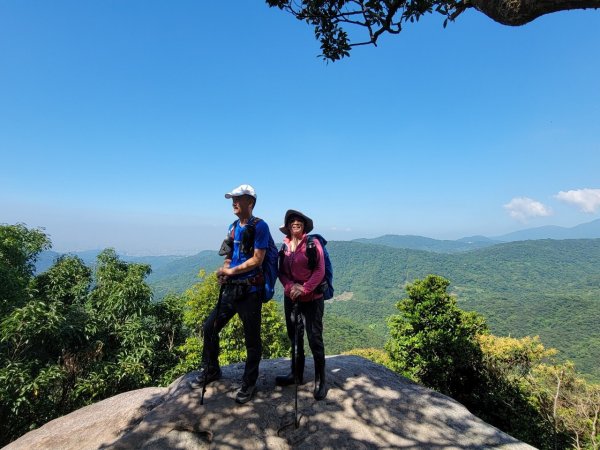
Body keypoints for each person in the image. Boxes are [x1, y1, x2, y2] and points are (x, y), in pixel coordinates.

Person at [191, 184, 273, 404]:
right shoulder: (233, 226)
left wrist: (231, 271)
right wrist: (225, 271)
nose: (234, 203)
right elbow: (229, 254)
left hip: (250, 291)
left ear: (251, 202)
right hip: (231, 289)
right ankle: (212, 369)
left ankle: (249, 383)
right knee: (210, 327)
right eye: (232, 199)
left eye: (239, 199)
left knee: (252, 339)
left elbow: (258, 259)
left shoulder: (260, 226)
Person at [275, 209, 328, 400]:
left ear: (304, 225)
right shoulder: (284, 246)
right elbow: (280, 271)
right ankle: (296, 374)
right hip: (291, 298)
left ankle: (321, 380)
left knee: (315, 339)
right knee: (294, 338)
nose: (295, 222)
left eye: (299, 221)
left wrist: (304, 289)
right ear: (287, 227)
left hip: (312, 300)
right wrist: (290, 286)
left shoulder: (313, 244)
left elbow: (319, 270)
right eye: (291, 221)